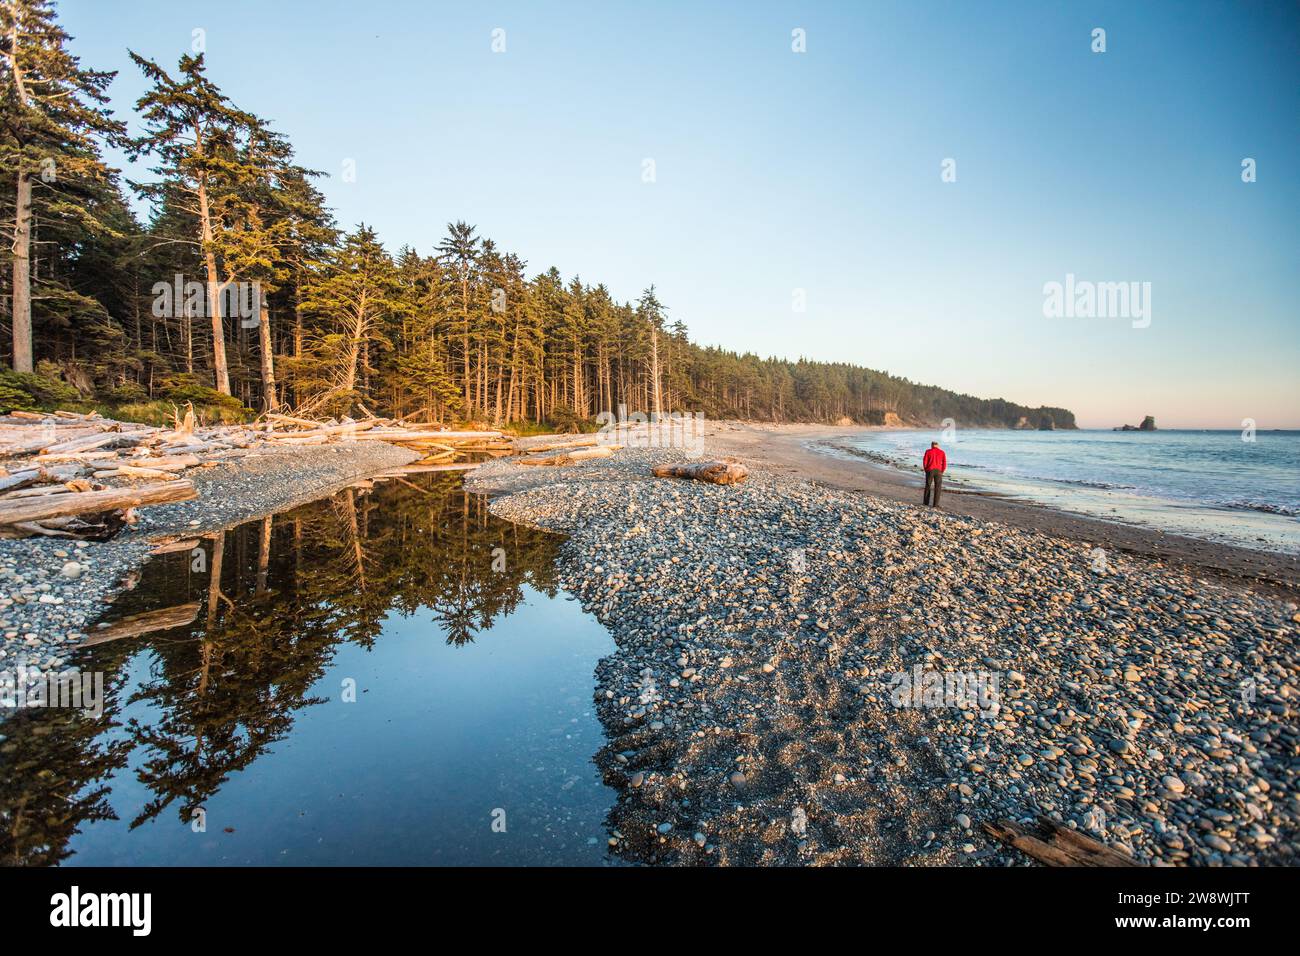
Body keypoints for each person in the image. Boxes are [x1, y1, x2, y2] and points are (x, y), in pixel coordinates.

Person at [922, 441, 947, 507]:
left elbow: (925, 461)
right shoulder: (942, 452)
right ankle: (935, 504)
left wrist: (926, 469)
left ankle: (926, 503)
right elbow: (944, 463)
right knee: (938, 487)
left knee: (928, 486)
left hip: (930, 470)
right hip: (938, 471)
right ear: (937, 445)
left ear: (932, 445)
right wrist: (942, 471)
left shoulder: (928, 451)